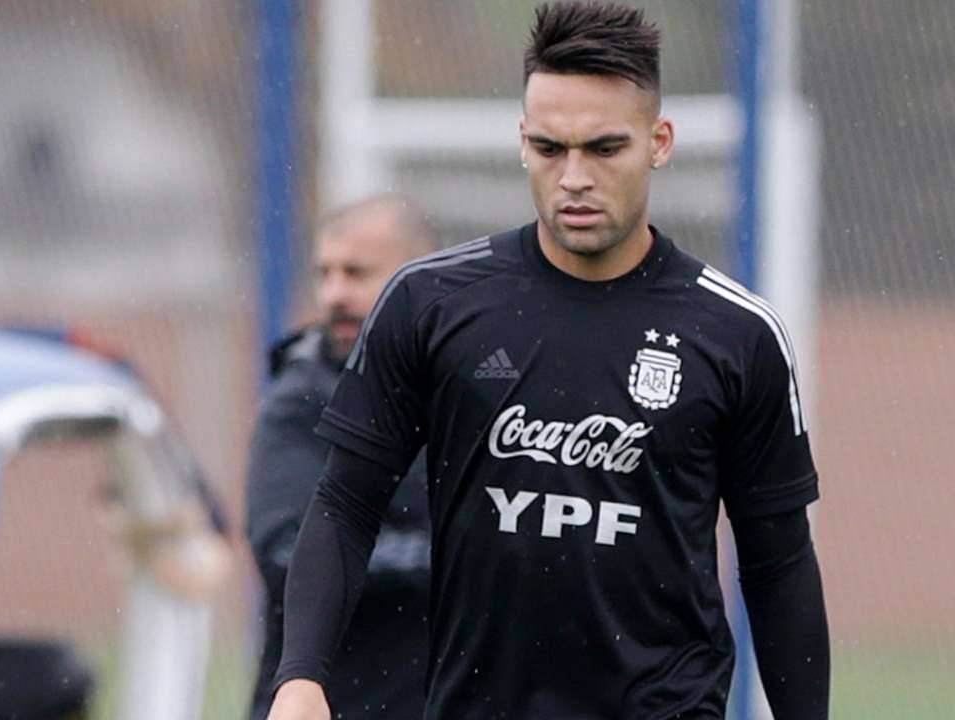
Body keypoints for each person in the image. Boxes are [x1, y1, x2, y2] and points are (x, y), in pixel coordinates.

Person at [269, 2, 830, 718]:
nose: (574, 176)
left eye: (604, 148)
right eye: (550, 148)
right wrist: (301, 676)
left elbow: (778, 558)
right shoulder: (429, 304)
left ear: (658, 142)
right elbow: (346, 504)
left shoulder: (736, 334)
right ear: (522, 142)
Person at [247, 195, 435, 720]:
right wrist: (451, 559)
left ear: (418, 277)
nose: (335, 295)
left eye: (356, 273)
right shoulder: (299, 400)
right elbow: (286, 551)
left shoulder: (465, 393)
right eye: (324, 274)